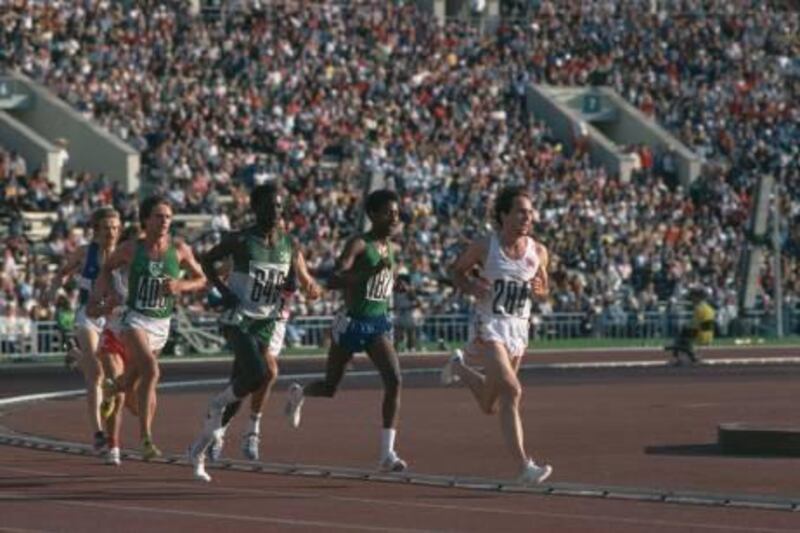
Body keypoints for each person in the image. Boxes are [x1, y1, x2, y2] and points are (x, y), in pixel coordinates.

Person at [188, 183, 321, 482]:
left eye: (279, 206)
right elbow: (207, 260)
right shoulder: (240, 239)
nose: (275, 211)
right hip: (238, 318)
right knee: (260, 375)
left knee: (242, 383)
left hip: (265, 322)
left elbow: (292, 282)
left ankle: (199, 447)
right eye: (269, 205)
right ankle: (215, 406)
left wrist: (303, 287)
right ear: (255, 208)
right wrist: (223, 291)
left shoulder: (288, 244)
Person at [284, 189, 407, 473]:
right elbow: (335, 278)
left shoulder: (390, 247)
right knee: (330, 388)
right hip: (352, 323)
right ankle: (300, 394)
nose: (395, 218)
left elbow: (381, 276)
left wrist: (394, 283)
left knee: (395, 380)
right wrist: (369, 273)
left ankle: (387, 454)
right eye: (389, 213)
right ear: (373, 215)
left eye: (397, 213)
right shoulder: (359, 244)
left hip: (377, 324)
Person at [441, 186, 553, 485]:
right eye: (520, 211)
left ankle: (459, 368)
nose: (527, 217)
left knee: (491, 405)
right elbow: (454, 271)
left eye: (530, 212)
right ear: (503, 215)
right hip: (489, 325)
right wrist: (470, 287)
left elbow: (543, 287)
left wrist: (542, 292)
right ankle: (525, 466)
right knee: (513, 390)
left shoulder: (538, 251)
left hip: (518, 329)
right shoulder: (484, 245)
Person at [94, 196, 206, 460]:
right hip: (135, 319)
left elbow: (201, 279)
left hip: (161, 323)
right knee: (151, 371)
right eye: (159, 216)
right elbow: (106, 269)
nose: (165, 221)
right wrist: (111, 295)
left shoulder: (179, 249)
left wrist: (181, 286)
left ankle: (112, 389)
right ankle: (146, 439)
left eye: (168, 216)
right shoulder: (132, 249)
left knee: (133, 378)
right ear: (146, 220)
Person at [47, 207, 121, 452]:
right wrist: (52, 289)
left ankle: (75, 356)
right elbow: (62, 272)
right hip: (88, 316)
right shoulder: (84, 252)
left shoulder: (125, 254)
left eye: (115, 227)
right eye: (107, 227)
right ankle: (99, 433)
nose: (111, 232)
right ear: (97, 229)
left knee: (115, 377)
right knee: (95, 374)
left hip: (113, 319)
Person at [89, 223, 142, 466]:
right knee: (116, 390)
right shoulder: (110, 273)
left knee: (134, 404)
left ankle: (111, 395)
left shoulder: (152, 273)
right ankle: (114, 446)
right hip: (113, 335)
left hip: (140, 340)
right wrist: (106, 307)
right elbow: (91, 308)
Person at [665, 286, 715, 365]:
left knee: (679, 340)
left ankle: (678, 358)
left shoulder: (699, 309)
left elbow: (694, 327)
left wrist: (682, 334)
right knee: (683, 338)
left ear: (698, 297)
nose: (692, 299)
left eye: (693, 296)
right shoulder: (709, 309)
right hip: (708, 336)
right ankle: (690, 356)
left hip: (700, 336)